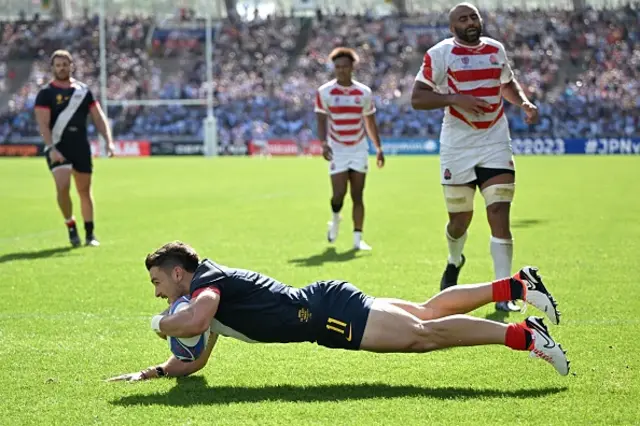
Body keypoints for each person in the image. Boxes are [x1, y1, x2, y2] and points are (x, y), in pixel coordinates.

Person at [107, 241, 568, 382]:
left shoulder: (203, 290)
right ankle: (517, 285)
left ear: (178, 274)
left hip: (325, 315)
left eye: (157, 282)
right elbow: (196, 357)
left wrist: (158, 324)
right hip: (326, 303)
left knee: (422, 336)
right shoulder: (204, 288)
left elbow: (193, 323)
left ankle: (527, 336)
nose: (156, 294)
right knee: (426, 315)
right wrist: (153, 373)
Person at [410, 3, 540, 312]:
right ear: (452, 27)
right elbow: (417, 98)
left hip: (494, 140)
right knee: (460, 220)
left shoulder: (496, 49)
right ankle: (455, 259)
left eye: (474, 17)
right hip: (457, 145)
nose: (470, 22)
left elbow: (506, 82)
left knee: (498, 212)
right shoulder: (439, 54)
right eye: (462, 19)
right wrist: (455, 98)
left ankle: (503, 292)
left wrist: (523, 102)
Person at [34, 49, 115, 247]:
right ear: (52, 68)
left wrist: (109, 140)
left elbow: (98, 117)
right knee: (62, 188)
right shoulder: (46, 93)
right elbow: (43, 124)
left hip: (80, 146)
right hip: (58, 147)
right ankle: (70, 225)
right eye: (58, 65)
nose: (62, 68)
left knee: (84, 191)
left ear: (72, 66)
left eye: (65, 64)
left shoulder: (83, 91)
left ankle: (89, 234)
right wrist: (51, 147)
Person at [315, 47, 385, 251]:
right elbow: (320, 118)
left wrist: (378, 148)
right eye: (337, 67)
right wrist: (323, 143)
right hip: (337, 148)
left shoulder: (363, 92)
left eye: (345, 66)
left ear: (352, 67)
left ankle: (357, 239)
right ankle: (335, 219)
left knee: (358, 195)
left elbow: (370, 122)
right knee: (338, 194)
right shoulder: (325, 92)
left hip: (359, 148)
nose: (341, 70)